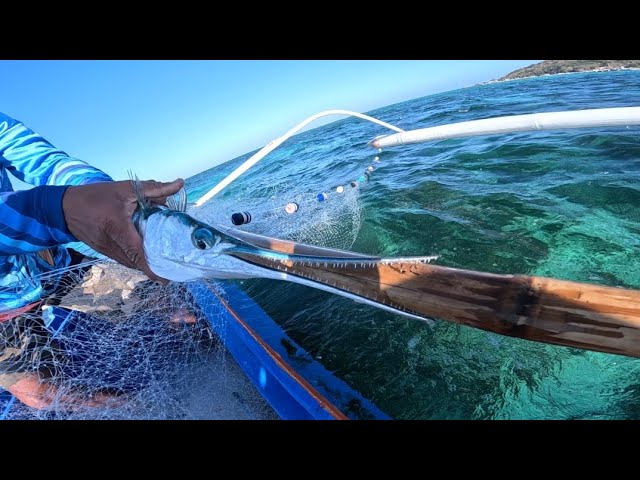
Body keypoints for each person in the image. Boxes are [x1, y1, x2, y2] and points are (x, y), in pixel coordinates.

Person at [0, 111, 184, 411]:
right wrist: (60, 210)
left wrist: (95, 192)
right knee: (44, 396)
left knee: (166, 298)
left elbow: (43, 160)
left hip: (50, 264)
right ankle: (134, 409)